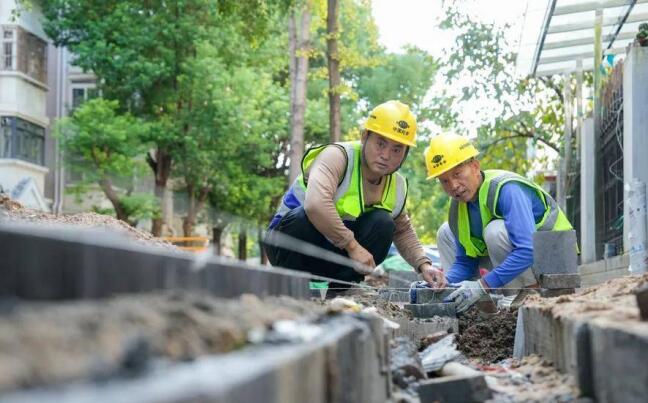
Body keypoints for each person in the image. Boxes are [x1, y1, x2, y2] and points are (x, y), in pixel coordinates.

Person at [265, 100, 445, 289]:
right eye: (381, 144)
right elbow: (315, 205)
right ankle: (289, 289)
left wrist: (423, 265)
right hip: (286, 247)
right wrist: (352, 246)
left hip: (332, 256)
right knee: (303, 217)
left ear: (405, 153)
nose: (386, 155)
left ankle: (342, 293)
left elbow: (402, 230)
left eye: (397, 149)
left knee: (384, 223)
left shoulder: (397, 185)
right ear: (365, 136)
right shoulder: (338, 156)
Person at [423, 133, 575, 312]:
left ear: (474, 166)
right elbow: (466, 262)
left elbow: (528, 249)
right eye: (444, 181)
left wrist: (482, 285)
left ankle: (525, 294)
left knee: (495, 231)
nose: (453, 186)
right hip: (518, 262)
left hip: (552, 259)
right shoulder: (458, 207)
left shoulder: (507, 189)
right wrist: (442, 282)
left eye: (457, 174)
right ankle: (472, 305)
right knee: (445, 232)